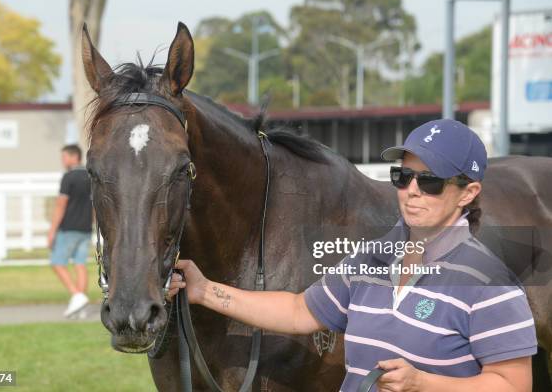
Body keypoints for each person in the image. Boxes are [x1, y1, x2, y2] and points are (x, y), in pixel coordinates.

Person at [167, 119, 537, 391]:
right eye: (403, 176)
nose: (411, 190)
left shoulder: (490, 282)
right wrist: (204, 290)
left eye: (430, 182)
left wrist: (424, 384)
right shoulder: (370, 259)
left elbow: (513, 384)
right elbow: (298, 311)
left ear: (468, 193)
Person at [48, 144, 93, 318]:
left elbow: (61, 205)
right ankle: (80, 307)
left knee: (57, 263)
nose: (63, 160)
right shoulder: (90, 176)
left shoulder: (69, 177)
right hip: (86, 227)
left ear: (74, 157)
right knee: (80, 264)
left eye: (64, 157)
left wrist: (52, 230)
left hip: (69, 227)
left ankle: (76, 295)